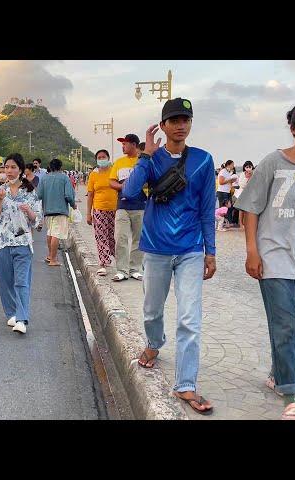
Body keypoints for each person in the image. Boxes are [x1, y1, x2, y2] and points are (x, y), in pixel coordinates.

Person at [122, 97, 216, 415]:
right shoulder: (151, 159)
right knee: (151, 310)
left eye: (185, 119)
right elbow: (131, 193)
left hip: (190, 250)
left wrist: (210, 252)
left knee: (190, 319)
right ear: (162, 126)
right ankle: (154, 342)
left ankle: (185, 384)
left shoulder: (203, 161)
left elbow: (206, 209)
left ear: (190, 123)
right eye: (173, 120)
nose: (180, 125)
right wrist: (146, 154)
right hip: (156, 249)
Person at [235, 101, 295, 420]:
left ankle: (277, 373)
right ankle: (291, 393)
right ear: (294, 128)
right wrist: (252, 251)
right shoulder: (272, 162)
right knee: (284, 323)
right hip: (274, 255)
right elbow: (251, 209)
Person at [0, 153, 42, 334]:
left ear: (20, 170)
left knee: (21, 282)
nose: (9, 171)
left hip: (23, 242)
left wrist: (29, 212)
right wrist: (0, 201)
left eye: (13, 167)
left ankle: (22, 318)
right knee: (5, 282)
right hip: (2, 242)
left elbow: (37, 221)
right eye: (6, 167)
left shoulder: (30, 192)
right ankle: (11, 313)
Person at [109, 134, 146, 281]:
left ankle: (134, 269)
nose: (122, 147)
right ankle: (122, 270)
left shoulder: (143, 161)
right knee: (120, 237)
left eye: (125, 144)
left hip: (140, 205)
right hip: (122, 205)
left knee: (139, 238)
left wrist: (136, 185)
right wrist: (122, 186)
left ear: (133, 144)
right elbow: (111, 182)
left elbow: (150, 180)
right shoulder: (119, 163)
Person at [37, 158, 76, 267]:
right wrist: (73, 205)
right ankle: (53, 260)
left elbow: (39, 195)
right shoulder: (64, 178)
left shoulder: (44, 178)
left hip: (47, 210)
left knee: (50, 233)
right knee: (56, 234)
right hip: (60, 210)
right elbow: (68, 195)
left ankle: (50, 255)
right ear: (61, 167)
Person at [86, 149, 118, 276]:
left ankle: (118, 258)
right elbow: (90, 194)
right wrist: (89, 213)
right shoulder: (93, 174)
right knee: (101, 235)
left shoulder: (114, 171)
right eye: (99, 157)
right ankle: (104, 263)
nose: (101, 159)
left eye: (103, 157)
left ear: (108, 158)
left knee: (112, 235)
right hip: (99, 209)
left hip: (115, 209)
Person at [217, 160, 238, 227]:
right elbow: (221, 182)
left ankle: (228, 222)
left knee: (229, 207)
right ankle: (221, 223)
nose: (233, 166)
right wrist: (230, 179)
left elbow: (226, 181)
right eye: (232, 164)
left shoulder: (228, 172)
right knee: (223, 208)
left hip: (227, 191)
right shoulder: (223, 171)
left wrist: (232, 180)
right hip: (222, 192)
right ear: (228, 165)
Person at [236, 161, 254, 227]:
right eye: (247, 167)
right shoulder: (242, 174)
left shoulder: (254, 173)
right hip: (243, 193)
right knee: (242, 209)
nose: (248, 168)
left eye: (250, 167)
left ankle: (248, 223)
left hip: (251, 193)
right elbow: (241, 185)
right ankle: (241, 223)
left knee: (249, 209)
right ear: (244, 167)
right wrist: (247, 177)